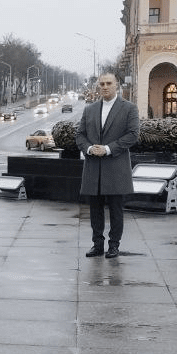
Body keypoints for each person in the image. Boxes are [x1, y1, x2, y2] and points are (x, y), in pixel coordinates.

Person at [76, 72, 140, 259]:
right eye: (102, 84)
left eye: (109, 83)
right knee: (95, 210)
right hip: (93, 168)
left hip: (116, 166)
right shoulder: (90, 109)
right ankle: (97, 244)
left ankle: (114, 245)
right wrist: (88, 149)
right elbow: (80, 135)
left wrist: (108, 148)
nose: (105, 86)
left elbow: (132, 134)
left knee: (116, 210)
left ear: (117, 86)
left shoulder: (129, 108)